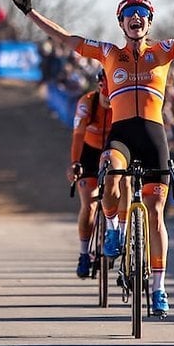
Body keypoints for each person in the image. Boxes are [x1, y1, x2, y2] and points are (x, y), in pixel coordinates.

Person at [6, 0, 174, 317]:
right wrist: (31, 13)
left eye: (142, 13)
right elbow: (67, 39)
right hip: (122, 135)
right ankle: (114, 230)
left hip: (153, 135)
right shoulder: (108, 54)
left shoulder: (163, 52)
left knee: (156, 211)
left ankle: (158, 289)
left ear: (149, 22)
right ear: (121, 23)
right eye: (129, 14)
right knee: (111, 170)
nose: (136, 18)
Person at [68, 68, 111, 278]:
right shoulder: (87, 103)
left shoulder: (123, 103)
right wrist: (75, 163)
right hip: (89, 153)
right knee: (90, 203)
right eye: (106, 92)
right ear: (99, 87)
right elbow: (78, 135)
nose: (110, 98)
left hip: (113, 153)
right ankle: (84, 253)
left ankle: (115, 234)